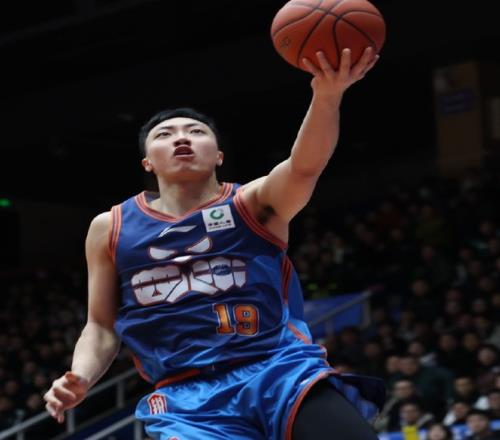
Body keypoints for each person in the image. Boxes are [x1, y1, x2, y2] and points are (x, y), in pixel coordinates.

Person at [43, 47, 385, 440]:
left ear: (219, 155)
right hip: (188, 398)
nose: (181, 138)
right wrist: (81, 375)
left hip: (279, 369)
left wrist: (327, 96)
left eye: (196, 131)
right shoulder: (111, 227)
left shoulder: (251, 204)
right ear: (147, 163)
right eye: (164, 134)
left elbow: (305, 166)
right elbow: (102, 326)